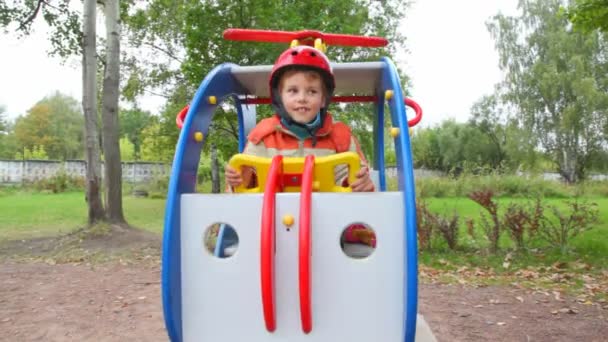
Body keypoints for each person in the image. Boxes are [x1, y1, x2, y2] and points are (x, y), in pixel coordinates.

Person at [225, 44, 375, 249]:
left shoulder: (340, 137)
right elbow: (241, 190)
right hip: (271, 232)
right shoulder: (262, 136)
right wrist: (236, 180)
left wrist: (361, 183)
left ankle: (351, 235)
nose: (302, 98)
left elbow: (355, 184)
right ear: (280, 96)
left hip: (328, 232)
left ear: (323, 99)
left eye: (312, 91)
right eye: (293, 91)